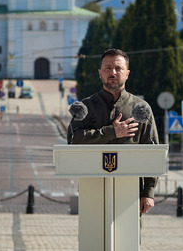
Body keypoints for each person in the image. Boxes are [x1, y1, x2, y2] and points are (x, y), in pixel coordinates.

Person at [67, 48, 158, 213]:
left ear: (127, 73)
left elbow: (152, 152)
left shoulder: (141, 108)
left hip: (131, 192)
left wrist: (148, 192)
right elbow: (73, 140)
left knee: (129, 239)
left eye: (118, 68)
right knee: (92, 238)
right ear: (100, 73)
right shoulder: (85, 107)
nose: (113, 72)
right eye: (107, 68)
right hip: (92, 189)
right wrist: (111, 132)